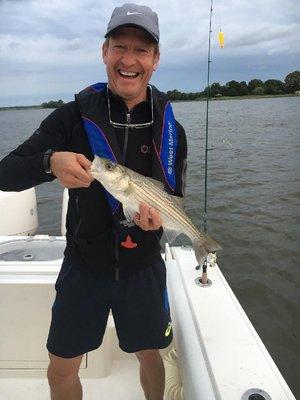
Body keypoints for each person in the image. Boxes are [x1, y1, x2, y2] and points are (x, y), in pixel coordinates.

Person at [0, 3, 187, 400]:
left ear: (155, 60)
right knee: (61, 366)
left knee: (150, 356)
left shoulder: (172, 130)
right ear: (105, 52)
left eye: (142, 50)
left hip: (144, 267)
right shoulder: (70, 119)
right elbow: (6, 172)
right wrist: (49, 162)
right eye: (120, 46)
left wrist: (158, 218)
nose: (129, 60)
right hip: (85, 265)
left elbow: (172, 197)